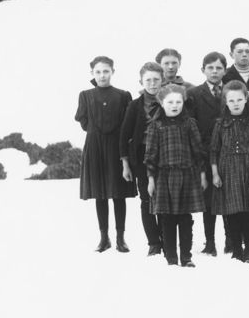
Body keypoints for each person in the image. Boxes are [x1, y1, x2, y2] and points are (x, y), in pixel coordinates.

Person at [208, 81, 249, 265]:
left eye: (239, 99)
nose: (235, 103)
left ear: (246, 99)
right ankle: (236, 251)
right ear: (225, 102)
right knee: (232, 215)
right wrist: (215, 174)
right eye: (231, 100)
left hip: (248, 171)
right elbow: (213, 150)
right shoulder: (220, 125)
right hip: (227, 172)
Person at [77, 56, 137, 253]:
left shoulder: (122, 95)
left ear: (112, 72)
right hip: (95, 147)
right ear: (92, 73)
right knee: (100, 194)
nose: (102, 75)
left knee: (118, 193)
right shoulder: (85, 95)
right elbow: (84, 121)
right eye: (98, 72)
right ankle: (104, 238)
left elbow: (128, 123)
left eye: (106, 71)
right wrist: (97, 132)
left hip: (116, 148)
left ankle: (121, 238)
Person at [145, 84, 207, 267]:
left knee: (185, 219)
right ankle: (171, 258)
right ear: (162, 103)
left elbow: (198, 151)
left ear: (183, 103)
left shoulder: (189, 124)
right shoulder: (156, 126)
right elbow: (150, 155)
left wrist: (202, 175)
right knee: (167, 219)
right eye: (170, 102)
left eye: (178, 101)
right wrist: (150, 179)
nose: (175, 105)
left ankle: (186, 257)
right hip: (163, 177)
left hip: (187, 176)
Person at [186, 52, 229, 256]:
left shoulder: (232, 91)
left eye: (219, 68)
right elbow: (191, 125)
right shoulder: (194, 94)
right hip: (204, 152)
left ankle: (231, 239)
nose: (214, 71)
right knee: (208, 199)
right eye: (210, 68)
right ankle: (210, 242)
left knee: (230, 196)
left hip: (229, 152)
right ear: (203, 70)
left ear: (225, 70)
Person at [120, 62, 165, 256]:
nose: (153, 84)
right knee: (146, 199)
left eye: (156, 79)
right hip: (141, 157)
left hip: (166, 155)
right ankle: (153, 242)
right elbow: (124, 135)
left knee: (165, 198)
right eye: (148, 80)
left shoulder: (171, 100)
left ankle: (167, 238)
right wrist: (125, 164)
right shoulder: (134, 105)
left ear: (162, 80)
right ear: (141, 81)